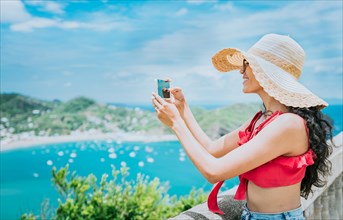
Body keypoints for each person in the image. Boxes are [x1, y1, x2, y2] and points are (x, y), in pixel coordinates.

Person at [151, 33, 333, 220]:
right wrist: (183, 109)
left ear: (267, 72)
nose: (241, 71)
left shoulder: (289, 124)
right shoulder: (261, 120)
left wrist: (176, 124)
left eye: (247, 64)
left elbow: (214, 172)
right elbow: (212, 149)